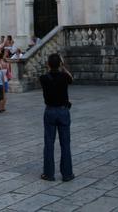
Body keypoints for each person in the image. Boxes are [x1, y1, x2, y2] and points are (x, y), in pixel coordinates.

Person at [40, 53, 74, 182]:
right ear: (60, 64)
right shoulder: (65, 76)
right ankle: (67, 173)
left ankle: (49, 173)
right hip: (63, 111)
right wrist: (63, 67)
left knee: (49, 143)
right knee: (65, 143)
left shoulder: (43, 78)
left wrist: (51, 66)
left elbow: (47, 74)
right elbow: (71, 78)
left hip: (49, 111)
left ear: (48, 64)